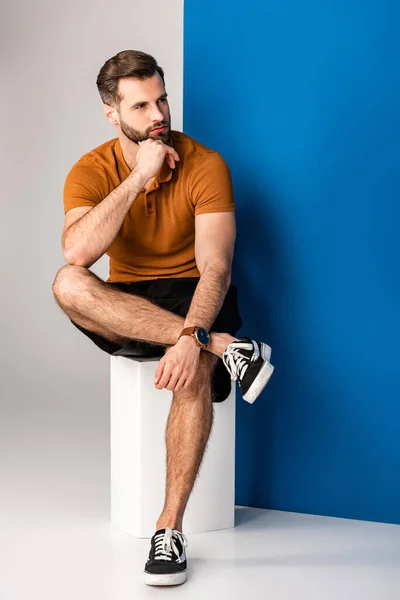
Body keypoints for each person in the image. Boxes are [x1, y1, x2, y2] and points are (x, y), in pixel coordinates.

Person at [52, 50, 274, 587]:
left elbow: (216, 267)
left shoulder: (205, 164)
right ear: (112, 113)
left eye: (163, 99)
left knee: (191, 366)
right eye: (142, 105)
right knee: (66, 283)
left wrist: (193, 333)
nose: (159, 115)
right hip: (127, 301)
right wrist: (137, 178)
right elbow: (78, 253)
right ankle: (229, 348)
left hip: (196, 293)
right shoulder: (92, 170)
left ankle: (169, 529)